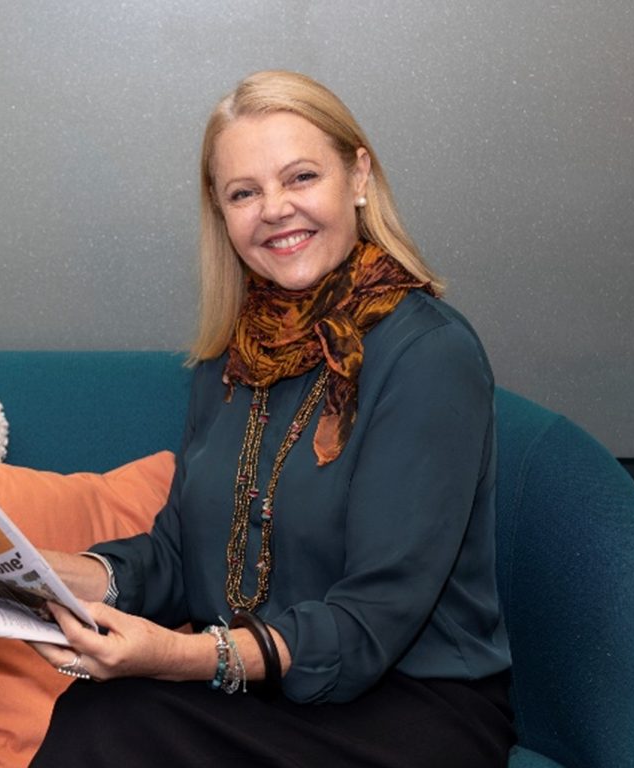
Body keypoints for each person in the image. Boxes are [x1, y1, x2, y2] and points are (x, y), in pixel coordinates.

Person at [29, 70, 515, 766]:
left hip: (413, 708)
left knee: (113, 725)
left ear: (358, 177)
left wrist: (180, 656)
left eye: (301, 177)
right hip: (268, 693)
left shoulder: (430, 355)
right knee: (100, 713)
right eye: (244, 193)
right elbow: (180, 558)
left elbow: (373, 618)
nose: (275, 210)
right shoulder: (233, 356)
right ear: (222, 214)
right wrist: (38, 575)